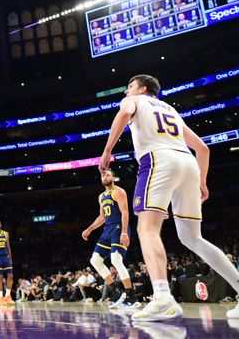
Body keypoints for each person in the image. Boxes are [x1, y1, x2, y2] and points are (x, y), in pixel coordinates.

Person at [99, 74, 239, 322]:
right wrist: (203, 182)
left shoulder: (136, 102)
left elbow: (123, 113)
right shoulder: (171, 109)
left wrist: (107, 150)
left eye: (129, 87)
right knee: (192, 237)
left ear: (141, 89)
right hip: (187, 163)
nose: (125, 93)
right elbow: (203, 149)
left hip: (158, 160)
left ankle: (163, 299)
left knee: (147, 229)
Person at [81, 170, 141, 310]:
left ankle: (132, 298)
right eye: (103, 175)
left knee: (116, 260)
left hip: (118, 228)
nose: (105, 177)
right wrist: (89, 229)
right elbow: (102, 217)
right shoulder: (101, 196)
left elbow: (125, 212)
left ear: (113, 177)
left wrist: (125, 232)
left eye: (108, 175)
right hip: (107, 229)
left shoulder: (118, 191)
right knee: (94, 260)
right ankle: (117, 292)